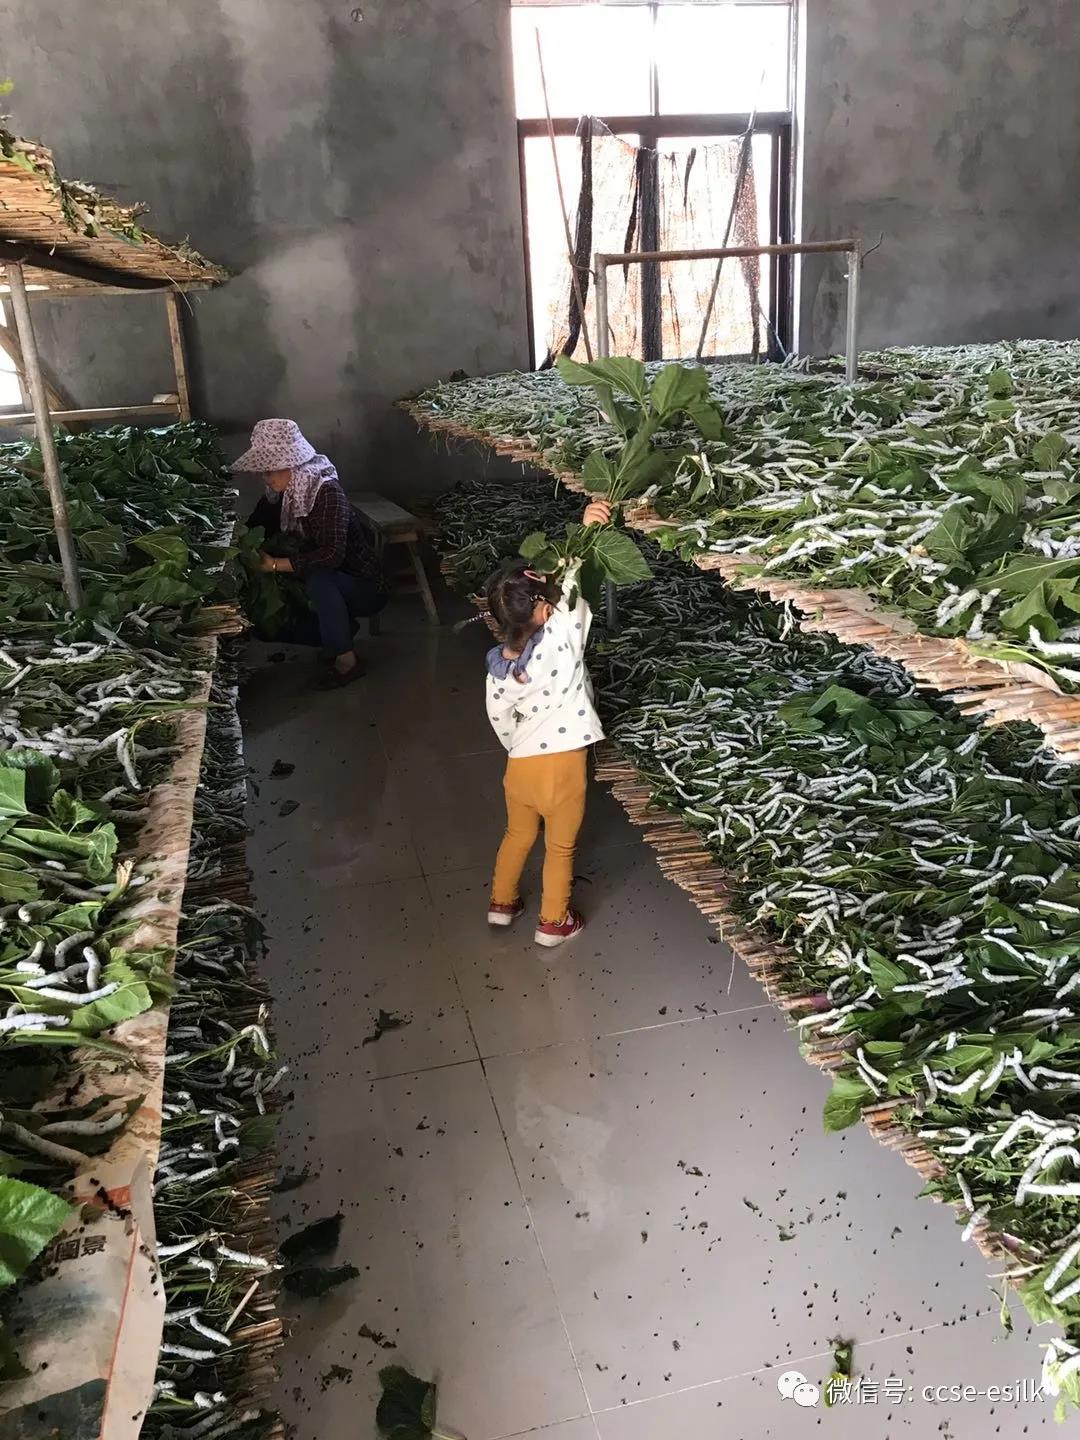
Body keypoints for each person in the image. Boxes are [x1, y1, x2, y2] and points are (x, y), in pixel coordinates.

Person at [484, 500, 610, 948]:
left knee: (517, 834)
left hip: (519, 767)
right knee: (560, 848)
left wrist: (517, 745)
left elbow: (499, 719)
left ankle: (502, 903)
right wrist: (586, 533)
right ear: (544, 612)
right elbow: (573, 597)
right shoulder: (559, 644)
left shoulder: (499, 669)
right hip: (562, 768)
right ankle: (554, 922)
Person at [231, 419, 388, 687]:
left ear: (292, 463)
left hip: (362, 586)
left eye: (271, 469)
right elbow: (257, 526)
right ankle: (337, 635)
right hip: (321, 584)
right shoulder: (280, 494)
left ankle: (347, 662)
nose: (266, 477)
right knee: (265, 623)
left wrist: (274, 565)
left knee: (320, 578)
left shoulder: (325, 492)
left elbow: (331, 556)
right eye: (263, 471)